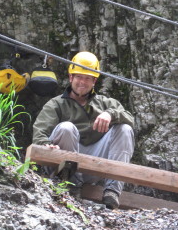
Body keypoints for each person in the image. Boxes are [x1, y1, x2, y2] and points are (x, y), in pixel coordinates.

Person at [32, 51, 135, 209]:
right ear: (71, 77)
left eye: (88, 78)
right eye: (79, 76)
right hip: (63, 164)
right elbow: (40, 133)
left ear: (94, 81)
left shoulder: (105, 103)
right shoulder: (56, 104)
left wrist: (110, 114)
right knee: (66, 128)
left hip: (93, 164)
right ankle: (70, 183)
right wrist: (46, 145)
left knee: (125, 129)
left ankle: (112, 191)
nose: (83, 82)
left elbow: (130, 118)